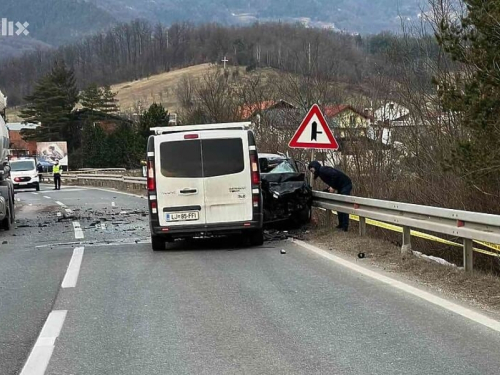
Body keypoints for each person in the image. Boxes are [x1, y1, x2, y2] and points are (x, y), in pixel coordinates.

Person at [308, 160, 352, 231]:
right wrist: (329, 188)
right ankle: (341, 225)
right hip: (341, 186)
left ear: (314, 167)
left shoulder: (322, 170)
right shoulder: (321, 173)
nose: (311, 171)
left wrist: (333, 186)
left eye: (311, 169)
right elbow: (332, 179)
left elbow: (334, 175)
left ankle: (345, 227)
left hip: (346, 185)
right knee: (339, 206)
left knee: (343, 205)